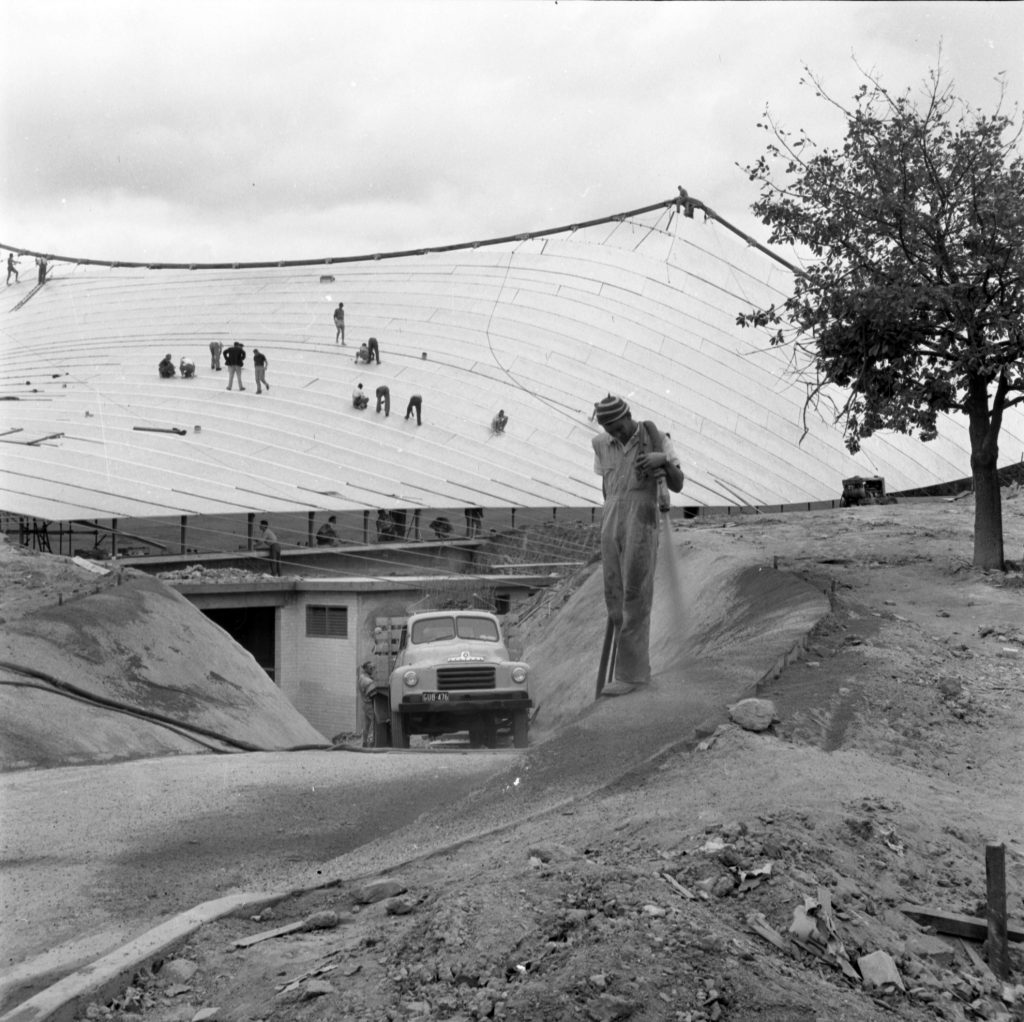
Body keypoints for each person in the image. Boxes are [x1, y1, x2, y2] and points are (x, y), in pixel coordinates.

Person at [591, 394, 684, 697]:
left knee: (635, 596)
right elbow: (608, 487)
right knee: (614, 598)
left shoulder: (656, 438)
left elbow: (678, 483)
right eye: (608, 429)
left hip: (641, 520)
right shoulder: (600, 444)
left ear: (628, 415)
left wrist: (664, 462)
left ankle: (634, 675)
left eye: (617, 427)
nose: (614, 434)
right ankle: (625, 671)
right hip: (611, 520)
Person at [357, 660, 378, 747]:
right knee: (375, 722)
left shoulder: (364, 677)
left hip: (365, 704)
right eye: (371, 668)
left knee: (366, 724)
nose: (372, 669)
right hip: (368, 704)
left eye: (373, 667)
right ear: (366, 669)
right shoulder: (365, 679)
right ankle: (371, 740)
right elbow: (372, 687)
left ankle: (364, 742)